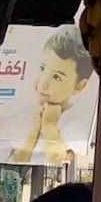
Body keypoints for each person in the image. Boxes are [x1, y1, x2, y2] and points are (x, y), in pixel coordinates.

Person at [8, 25, 94, 165]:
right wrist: (33, 131)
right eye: (42, 68)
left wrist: (49, 127)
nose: (43, 83)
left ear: (79, 86)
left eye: (57, 77)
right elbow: (13, 162)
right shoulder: (22, 113)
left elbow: (57, 162)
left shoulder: (76, 126)